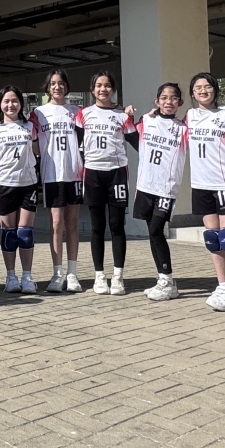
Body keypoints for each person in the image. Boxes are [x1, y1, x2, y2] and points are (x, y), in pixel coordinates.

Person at [185, 72, 225, 311]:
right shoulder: (189, 116)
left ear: (215, 90)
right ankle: (222, 285)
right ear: (192, 93)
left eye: (207, 86)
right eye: (198, 87)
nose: (203, 91)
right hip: (201, 184)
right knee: (212, 238)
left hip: (224, 183)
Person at [79, 70, 139, 295]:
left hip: (117, 173)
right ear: (92, 89)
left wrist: (149, 119)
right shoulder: (84, 114)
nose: (103, 89)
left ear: (113, 89)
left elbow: (139, 142)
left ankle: (118, 276)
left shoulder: (122, 115)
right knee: (97, 226)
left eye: (107, 85)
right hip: (93, 172)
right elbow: (72, 141)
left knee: (117, 225)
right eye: (98, 85)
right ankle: (99, 276)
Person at [129, 83, 188, 302]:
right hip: (146, 186)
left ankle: (168, 280)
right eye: (164, 98)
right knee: (152, 233)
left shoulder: (184, 128)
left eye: (173, 98)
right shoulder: (146, 121)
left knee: (156, 230)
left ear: (180, 102)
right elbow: (128, 133)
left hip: (166, 188)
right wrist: (129, 115)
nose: (168, 101)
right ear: (157, 101)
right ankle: (162, 278)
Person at [0, 85, 40, 293]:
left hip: (28, 184)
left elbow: (39, 149)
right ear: (0, 104)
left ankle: (27, 277)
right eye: (6, 101)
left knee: (25, 232)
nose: (10, 105)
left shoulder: (29, 126)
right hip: (4, 184)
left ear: (21, 103)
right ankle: (11, 276)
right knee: (9, 233)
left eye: (14, 101)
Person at [32, 70, 84, 293]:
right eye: (53, 83)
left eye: (61, 83)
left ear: (66, 86)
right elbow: (31, 140)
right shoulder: (38, 113)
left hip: (74, 173)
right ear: (47, 87)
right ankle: (57, 273)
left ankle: (72, 273)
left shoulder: (77, 112)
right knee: (56, 224)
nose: (57, 87)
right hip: (52, 174)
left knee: (72, 222)